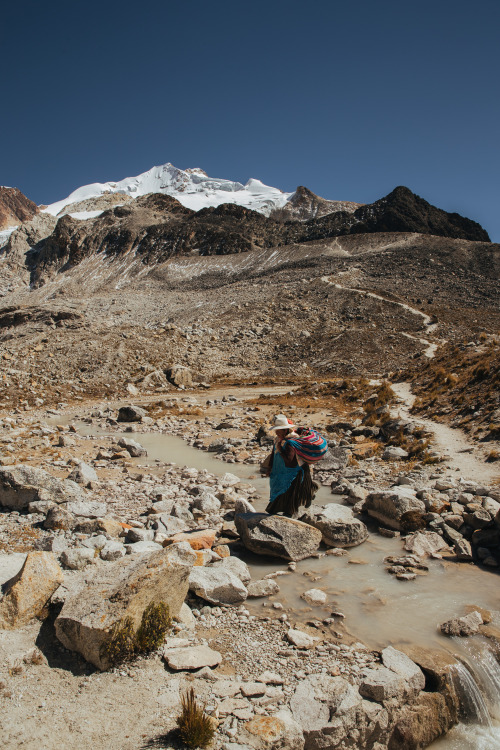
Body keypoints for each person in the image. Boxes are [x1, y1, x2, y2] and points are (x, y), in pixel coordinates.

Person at [260, 414, 318, 517]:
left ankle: (288, 512)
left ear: (286, 430)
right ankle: (309, 493)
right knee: (281, 492)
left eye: (279, 430)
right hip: (282, 473)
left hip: (293, 474)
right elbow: (273, 454)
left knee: (289, 495)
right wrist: (269, 468)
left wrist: (281, 449)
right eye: (276, 430)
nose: (277, 432)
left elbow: (290, 462)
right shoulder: (278, 440)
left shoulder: (291, 442)